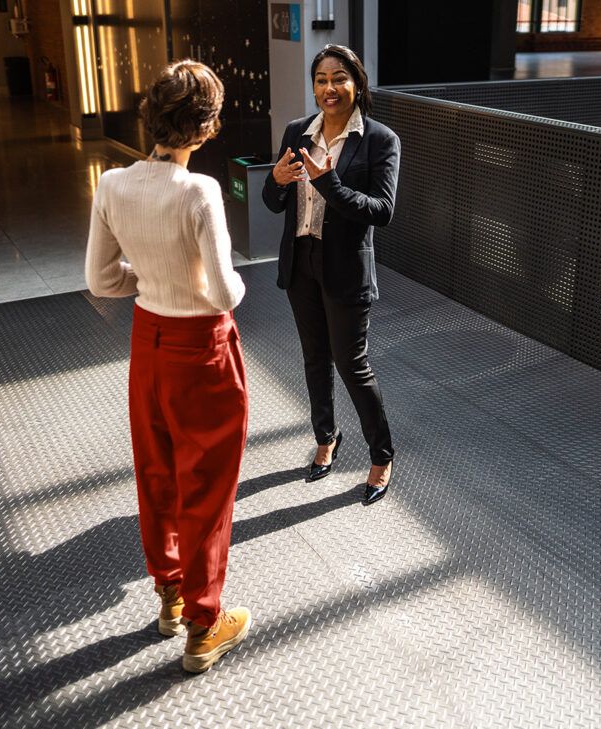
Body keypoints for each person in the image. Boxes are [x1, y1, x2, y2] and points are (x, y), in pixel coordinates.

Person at [85, 60, 251, 674]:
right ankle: (207, 627)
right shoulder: (200, 191)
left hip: (147, 344)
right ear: (205, 129)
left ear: (151, 117)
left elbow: (101, 280)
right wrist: (202, 277)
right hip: (201, 348)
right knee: (207, 484)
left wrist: (150, 276)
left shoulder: (111, 185)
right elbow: (225, 293)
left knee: (157, 473)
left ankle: (171, 597)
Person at [261, 44, 400, 507]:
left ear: (357, 84)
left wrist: (330, 183)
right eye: (321, 79)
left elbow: (381, 211)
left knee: (352, 365)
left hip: (345, 267)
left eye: (339, 78)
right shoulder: (298, 131)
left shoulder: (380, 140)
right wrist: (277, 181)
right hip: (301, 261)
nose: (329, 88)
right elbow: (271, 198)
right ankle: (326, 437)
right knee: (314, 359)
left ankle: (381, 455)